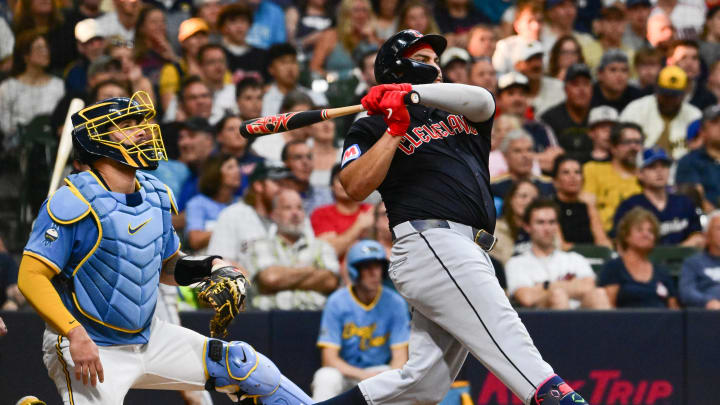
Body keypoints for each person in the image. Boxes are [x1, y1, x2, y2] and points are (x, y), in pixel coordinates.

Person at [315, 29, 591, 405]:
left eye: (437, 62)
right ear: (395, 69)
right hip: (431, 242)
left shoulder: (456, 109)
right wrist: (395, 128)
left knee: (422, 384)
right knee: (512, 344)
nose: (438, 69)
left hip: (469, 249)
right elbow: (355, 185)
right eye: (425, 61)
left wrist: (412, 94)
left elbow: (484, 100)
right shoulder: (370, 125)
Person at [16, 91, 314, 404]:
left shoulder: (155, 193)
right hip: (88, 343)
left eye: (140, 122)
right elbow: (31, 276)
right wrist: (74, 334)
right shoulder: (70, 200)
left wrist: (209, 266)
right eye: (127, 124)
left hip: (149, 336)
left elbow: (167, 266)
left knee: (243, 366)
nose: (143, 130)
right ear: (97, 139)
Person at [312, 240, 410, 401]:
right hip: (347, 374)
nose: (374, 273)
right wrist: (363, 375)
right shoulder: (337, 301)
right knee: (325, 376)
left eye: (377, 266)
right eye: (367, 267)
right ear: (355, 271)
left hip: (378, 372)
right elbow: (329, 359)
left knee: (398, 377)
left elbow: (400, 359)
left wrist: (382, 379)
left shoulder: (395, 302)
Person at [505, 199, 609, 309]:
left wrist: (545, 286)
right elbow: (527, 298)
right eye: (540, 222)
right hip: (540, 321)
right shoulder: (516, 263)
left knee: (599, 294)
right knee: (557, 296)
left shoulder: (575, 259)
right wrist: (571, 286)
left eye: (552, 222)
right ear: (527, 227)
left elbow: (589, 287)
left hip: (581, 317)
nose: (547, 228)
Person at [246, 188, 340, 310]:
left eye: (299, 208)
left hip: (314, 318)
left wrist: (283, 278)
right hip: (270, 321)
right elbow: (270, 279)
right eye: (287, 208)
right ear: (274, 215)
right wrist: (310, 270)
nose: (295, 213)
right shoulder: (259, 245)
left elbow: (329, 282)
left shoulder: (322, 246)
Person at [613, 147, 704, 247]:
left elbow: (698, 236)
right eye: (652, 167)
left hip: (682, 260)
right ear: (639, 173)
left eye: (664, 166)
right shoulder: (629, 206)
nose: (659, 171)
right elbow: (621, 243)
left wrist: (675, 252)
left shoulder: (684, 202)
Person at [206, 160, 291, 267]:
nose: (283, 190)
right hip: (244, 282)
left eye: (287, 184)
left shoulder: (295, 217)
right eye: (278, 183)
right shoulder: (233, 215)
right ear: (258, 185)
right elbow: (217, 261)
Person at [598, 207, 680, 308]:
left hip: (660, 322)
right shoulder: (614, 267)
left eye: (650, 231)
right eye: (639, 230)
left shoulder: (662, 271)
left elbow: (673, 310)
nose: (646, 234)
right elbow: (608, 308)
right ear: (626, 235)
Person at [0, 30, 64, 152]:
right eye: (39, 48)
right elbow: (5, 125)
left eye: (46, 47)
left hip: (51, 146)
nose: (45, 52)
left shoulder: (58, 85)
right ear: (25, 55)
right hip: (17, 150)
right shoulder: (7, 87)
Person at [620, 65, 701, 160]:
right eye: (665, 95)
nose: (669, 100)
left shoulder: (694, 116)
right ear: (656, 90)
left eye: (674, 96)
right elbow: (619, 144)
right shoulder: (636, 109)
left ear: (684, 94)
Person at [582, 122, 644, 232]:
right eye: (627, 142)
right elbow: (588, 206)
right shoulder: (593, 169)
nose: (634, 147)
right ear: (613, 148)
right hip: (603, 235)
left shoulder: (646, 177)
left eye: (638, 142)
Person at [311, 164, 374, 268]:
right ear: (331, 186)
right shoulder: (321, 214)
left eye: (351, 178)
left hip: (370, 270)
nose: (345, 183)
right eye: (340, 179)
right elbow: (330, 252)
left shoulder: (372, 211)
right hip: (335, 274)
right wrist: (359, 226)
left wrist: (341, 241)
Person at [185, 154, 241, 253]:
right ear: (215, 173)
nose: (237, 171)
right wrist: (229, 227)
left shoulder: (240, 203)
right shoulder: (198, 204)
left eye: (237, 166)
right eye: (230, 167)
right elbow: (195, 240)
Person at [552, 155, 611, 248]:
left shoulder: (588, 205)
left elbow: (604, 243)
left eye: (577, 172)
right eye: (566, 172)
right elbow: (559, 245)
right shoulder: (550, 207)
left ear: (583, 180)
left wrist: (591, 207)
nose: (573, 177)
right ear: (555, 181)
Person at [540, 63, 593, 161]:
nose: (582, 90)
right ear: (565, 89)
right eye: (575, 84)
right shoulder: (550, 118)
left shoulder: (599, 117)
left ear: (592, 88)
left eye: (586, 84)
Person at [261, 43, 328, 117]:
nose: (290, 68)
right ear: (271, 69)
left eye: (293, 61)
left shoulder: (316, 97)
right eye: (283, 62)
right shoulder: (263, 100)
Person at [676, 104, 720, 210]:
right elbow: (696, 199)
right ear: (702, 132)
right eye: (715, 122)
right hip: (708, 221)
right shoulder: (689, 161)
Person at [490, 129, 554, 201]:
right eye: (518, 151)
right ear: (505, 156)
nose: (525, 156)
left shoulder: (549, 185)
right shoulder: (493, 187)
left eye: (529, 150)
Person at [217, 3, 268, 83]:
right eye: (233, 22)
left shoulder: (262, 55)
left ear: (250, 25)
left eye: (243, 21)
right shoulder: (217, 54)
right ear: (223, 27)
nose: (239, 26)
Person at [679, 210, 720, 309]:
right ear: (707, 235)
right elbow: (687, 292)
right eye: (719, 228)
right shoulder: (693, 263)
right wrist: (707, 302)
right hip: (707, 315)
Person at [492, 0, 544, 75]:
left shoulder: (550, 44)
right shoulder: (505, 46)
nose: (536, 26)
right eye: (530, 21)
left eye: (539, 21)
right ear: (517, 25)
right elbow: (497, 76)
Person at [282, 140, 334, 215]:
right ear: (285, 163)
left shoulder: (327, 195)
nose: (305, 162)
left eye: (309, 157)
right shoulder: (275, 197)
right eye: (298, 157)